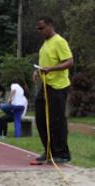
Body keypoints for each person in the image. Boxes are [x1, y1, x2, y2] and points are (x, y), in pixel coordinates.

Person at [32, 16, 73, 164]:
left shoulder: (59, 41)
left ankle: (62, 154)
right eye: (38, 28)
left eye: (41, 28)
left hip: (58, 86)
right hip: (45, 86)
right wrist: (37, 71)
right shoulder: (45, 44)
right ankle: (49, 151)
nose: (39, 31)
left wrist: (52, 69)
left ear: (50, 25)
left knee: (57, 120)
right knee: (41, 119)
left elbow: (69, 61)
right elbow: (44, 63)